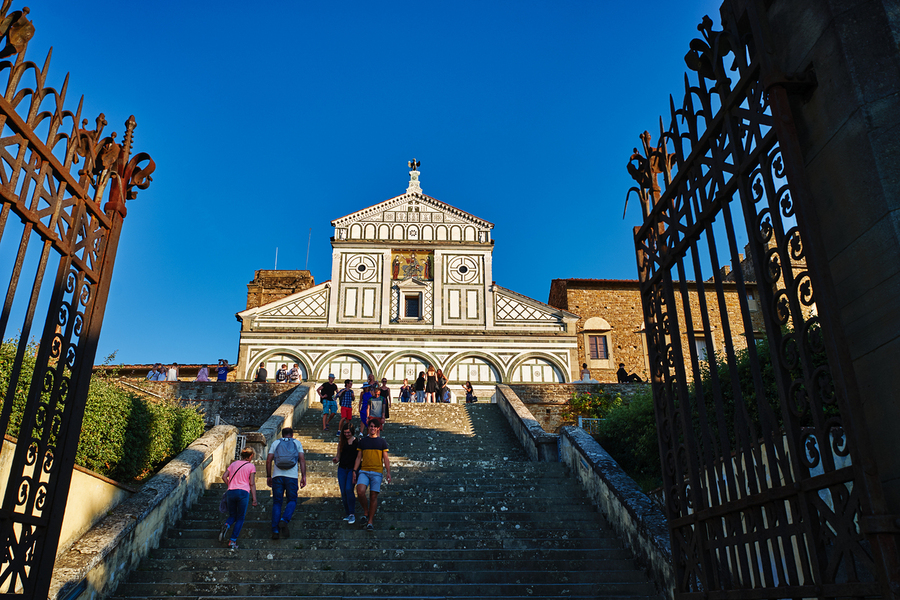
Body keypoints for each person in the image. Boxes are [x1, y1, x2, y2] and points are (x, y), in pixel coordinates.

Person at [266, 427, 306, 540]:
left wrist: (268, 476)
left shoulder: (276, 443)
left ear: (282, 435)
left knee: (277, 502)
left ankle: (275, 530)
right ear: (292, 435)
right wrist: (303, 476)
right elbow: (302, 460)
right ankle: (284, 520)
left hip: (277, 476)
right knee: (292, 500)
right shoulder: (297, 443)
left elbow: (268, 460)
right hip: (292, 477)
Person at [353, 421, 391, 531]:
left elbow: (386, 458)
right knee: (360, 491)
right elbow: (358, 457)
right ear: (368, 428)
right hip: (364, 471)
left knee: (373, 496)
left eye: (374, 427)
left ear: (378, 428)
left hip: (377, 472)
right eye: (371, 426)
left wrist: (388, 472)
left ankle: (370, 521)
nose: (372, 428)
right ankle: (366, 511)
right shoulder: (363, 441)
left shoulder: (382, 442)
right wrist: (354, 471)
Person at [219, 447, 258, 550]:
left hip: (231, 492)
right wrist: (254, 499)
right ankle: (232, 541)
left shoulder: (234, 464)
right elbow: (252, 483)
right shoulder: (251, 466)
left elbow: (224, 476)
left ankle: (226, 525)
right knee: (240, 517)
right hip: (243, 492)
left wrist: (230, 485)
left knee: (232, 515)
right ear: (250, 456)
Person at [332, 422, 359, 523]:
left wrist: (355, 471)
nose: (346, 434)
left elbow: (359, 457)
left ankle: (352, 513)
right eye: (345, 432)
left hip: (352, 469)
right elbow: (338, 456)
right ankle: (348, 513)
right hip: (342, 468)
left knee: (349, 489)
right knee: (343, 491)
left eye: (348, 432)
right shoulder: (341, 442)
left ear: (352, 432)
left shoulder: (357, 442)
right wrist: (336, 459)